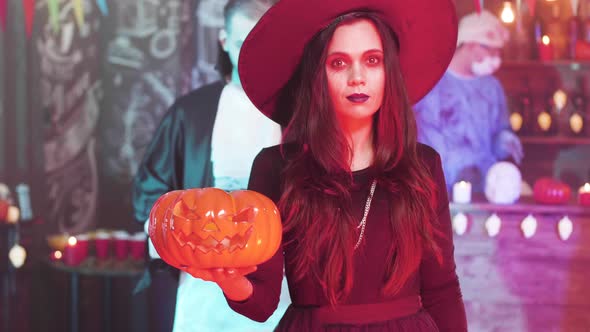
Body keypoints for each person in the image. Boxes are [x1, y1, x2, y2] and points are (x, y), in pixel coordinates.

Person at [185, 0, 468, 331]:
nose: (357, 78)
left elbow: (442, 290)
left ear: (389, 71)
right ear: (317, 75)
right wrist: (228, 280)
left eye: (372, 61)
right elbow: (262, 303)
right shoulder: (275, 167)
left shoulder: (423, 164)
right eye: (338, 63)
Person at [132, 0, 290, 331]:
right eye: (240, 45)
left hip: (282, 280)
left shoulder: (299, 114)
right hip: (203, 278)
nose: (251, 58)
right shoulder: (190, 114)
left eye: (260, 47)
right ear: (223, 41)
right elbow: (150, 191)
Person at [413, 10, 524, 193]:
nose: (496, 58)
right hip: (433, 188)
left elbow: (499, 133)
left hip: (482, 187)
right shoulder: (430, 81)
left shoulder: (492, 87)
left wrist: (505, 141)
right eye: (491, 50)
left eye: (498, 51)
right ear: (470, 45)